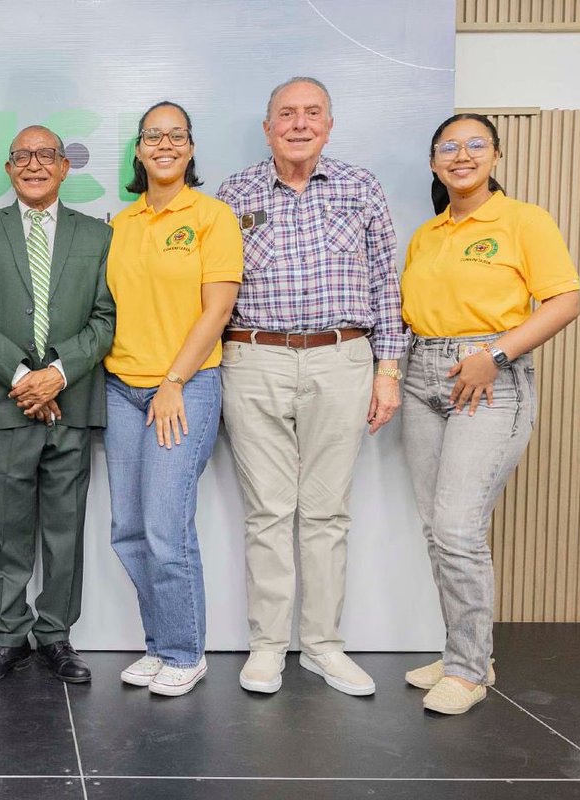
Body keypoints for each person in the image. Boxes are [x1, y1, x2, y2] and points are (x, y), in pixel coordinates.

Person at [215, 76, 407, 698]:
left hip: (342, 359)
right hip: (254, 359)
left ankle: (324, 646)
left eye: (312, 113)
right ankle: (268, 646)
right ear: (267, 126)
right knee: (268, 512)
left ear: (329, 124)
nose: (299, 124)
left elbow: (386, 282)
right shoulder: (235, 192)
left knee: (326, 512)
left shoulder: (360, 187)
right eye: (287, 113)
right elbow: (215, 287)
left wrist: (387, 371)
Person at [400, 113, 580, 715]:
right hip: (422, 375)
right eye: (448, 147)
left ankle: (469, 672)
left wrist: (495, 355)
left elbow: (565, 300)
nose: (462, 155)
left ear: (496, 155)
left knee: (458, 529)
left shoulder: (524, 221)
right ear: (433, 162)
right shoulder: (426, 234)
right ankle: (464, 651)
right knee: (437, 530)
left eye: (475, 144)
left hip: (489, 377)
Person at [0, 125, 114, 686]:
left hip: (72, 403)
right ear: (8, 168)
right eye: (22, 156)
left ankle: (56, 636)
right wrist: (23, 377)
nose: (34, 165)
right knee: (2, 528)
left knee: (66, 529)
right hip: (6, 403)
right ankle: (6, 638)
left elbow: (106, 318)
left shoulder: (98, 235)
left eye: (47, 155)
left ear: (65, 166)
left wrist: (57, 375)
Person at [105, 101, 242, 698]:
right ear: (138, 149)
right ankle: (160, 645)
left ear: (190, 148)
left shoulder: (212, 216)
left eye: (176, 135)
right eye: (153, 136)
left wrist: (173, 382)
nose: (164, 144)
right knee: (129, 529)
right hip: (120, 388)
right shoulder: (120, 223)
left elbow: (218, 309)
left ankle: (186, 651)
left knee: (166, 526)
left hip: (184, 387)